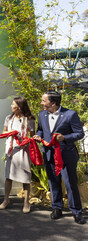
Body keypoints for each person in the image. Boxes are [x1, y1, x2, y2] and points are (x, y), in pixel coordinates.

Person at [33, 90, 86, 224]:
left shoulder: (70, 114)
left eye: (44, 101)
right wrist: (38, 136)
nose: (41, 103)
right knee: (53, 181)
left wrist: (65, 138)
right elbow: (40, 129)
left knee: (70, 183)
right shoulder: (42, 114)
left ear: (53, 103)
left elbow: (79, 134)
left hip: (66, 154)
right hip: (49, 153)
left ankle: (76, 211)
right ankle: (57, 208)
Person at [0, 97, 35, 213]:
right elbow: (3, 132)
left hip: (23, 150)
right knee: (8, 176)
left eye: (13, 104)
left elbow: (32, 136)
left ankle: (26, 203)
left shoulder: (29, 119)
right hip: (11, 149)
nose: (11, 106)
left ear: (19, 106)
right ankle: (6, 200)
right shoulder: (9, 118)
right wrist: (11, 133)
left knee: (25, 177)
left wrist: (24, 140)